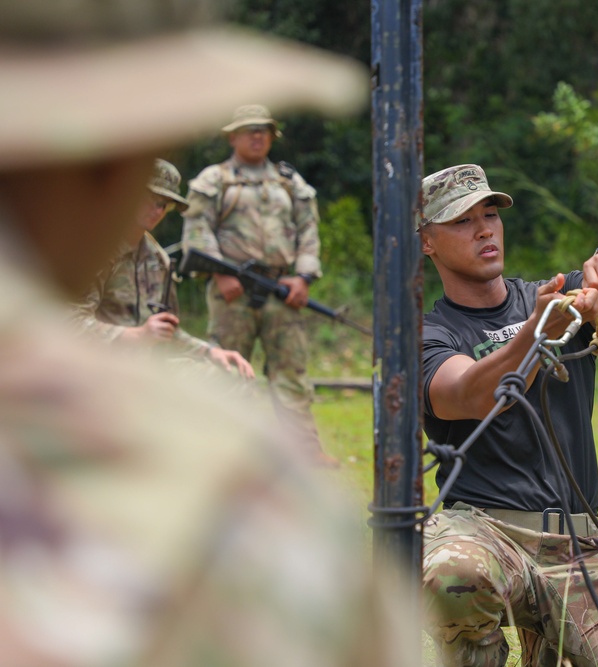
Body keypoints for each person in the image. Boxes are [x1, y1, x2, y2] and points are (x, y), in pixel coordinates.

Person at [0, 2, 417, 666]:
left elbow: (167, 322)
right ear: (118, 163)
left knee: (280, 378)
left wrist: (237, 324)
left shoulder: (271, 195)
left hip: (277, 296)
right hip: (213, 306)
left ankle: (308, 441)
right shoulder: (224, 490)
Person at [418, 164, 598, 666]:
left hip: (578, 545)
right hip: (486, 534)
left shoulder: (554, 295)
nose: (485, 228)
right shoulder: (428, 334)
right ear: (427, 243)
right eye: (462, 221)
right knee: (451, 573)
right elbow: (468, 394)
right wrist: (536, 332)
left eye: (490, 214)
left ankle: (550, 637)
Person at [182, 105, 328, 463]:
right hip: (232, 291)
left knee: (291, 372)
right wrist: (221, 272)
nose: (258, 136)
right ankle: (222, 449)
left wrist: (304, 276)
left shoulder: (289, 182)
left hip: (282, 289)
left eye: (264, 130)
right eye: (249, 130)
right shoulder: (214, 180)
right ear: (233, 137)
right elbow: (197, 228)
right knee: (227, 368)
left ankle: (304, 452)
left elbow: (309, 229)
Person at [72, 158, 256, 381]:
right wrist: (133, 335)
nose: (157, 210)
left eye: (164, 204)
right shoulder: (92, 250)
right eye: (151, 198)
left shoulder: (158, 260)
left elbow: (166, 330)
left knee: (226, 377)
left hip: (143, 370)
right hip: (93, 369)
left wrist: (211, 352)